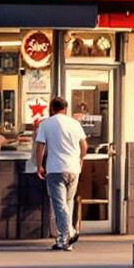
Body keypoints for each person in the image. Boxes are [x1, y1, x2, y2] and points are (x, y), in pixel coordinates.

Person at [34, 103, 85, 250]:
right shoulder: (75, 124)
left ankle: (69, 232)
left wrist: (39, 165)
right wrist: (80, 160)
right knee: (68, 203)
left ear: (51, 109)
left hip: (56, 169)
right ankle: (64, 241)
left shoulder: (46, 123)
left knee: (59, 204)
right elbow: (84, 146)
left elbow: (40, 146)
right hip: (73, 169)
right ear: (66, 108)